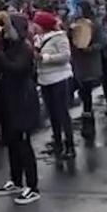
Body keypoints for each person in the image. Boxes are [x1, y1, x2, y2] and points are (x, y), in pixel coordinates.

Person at [0, 13, 42, 205]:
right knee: (12, 143)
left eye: (8, 26)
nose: (5, 30)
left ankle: (32, 186)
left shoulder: (24, 48)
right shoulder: (6, 46)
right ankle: (16, 181)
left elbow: (16, 69)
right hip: (7, 100)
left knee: (24, 145)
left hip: (22, 100)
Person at [33, 10, 76, 159]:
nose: (34, 26)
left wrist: (45, 58)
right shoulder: (38, 38)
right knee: (51, 113)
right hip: (44, 79)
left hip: (59, 78)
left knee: (62, 112)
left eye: (37, 23)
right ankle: (57, 142)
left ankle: (70, 145)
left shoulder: (59, 37)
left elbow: (65, 56)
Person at [70, 2, 104, 124]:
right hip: (78, 60)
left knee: (87, 85)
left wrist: (90, 48)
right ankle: (86, 106)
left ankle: (88, 109)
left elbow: (101, 42)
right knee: (81, 85)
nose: (77, 11)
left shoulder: (95, 24)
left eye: (79, 8)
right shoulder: (73, 23)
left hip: (89, 60)